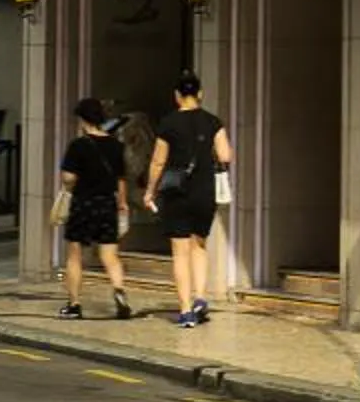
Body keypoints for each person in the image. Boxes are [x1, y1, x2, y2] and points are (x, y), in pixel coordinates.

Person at [142, 73, 232, 327]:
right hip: (205, 192)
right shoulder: (213, 121)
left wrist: (150, 190)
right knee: (199, 245)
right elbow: (225, 155)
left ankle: (185, 311)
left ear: (177, 96)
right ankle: (201, 297)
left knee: (180, 252)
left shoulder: (168, 123)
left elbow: (158, 161)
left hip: (177, 192)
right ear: (200, 94)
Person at [53, 95, 133, 321]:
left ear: (82, 119)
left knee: (75, 255)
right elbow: (121, 179)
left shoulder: (78, 146)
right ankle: (118, 291)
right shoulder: (116, 146)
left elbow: (68, 178)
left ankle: (75, 304)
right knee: (110, 254)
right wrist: (122, 204)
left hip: (83, 203)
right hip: (107, 203)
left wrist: (70, 184)